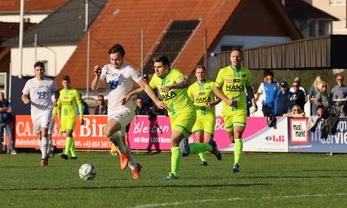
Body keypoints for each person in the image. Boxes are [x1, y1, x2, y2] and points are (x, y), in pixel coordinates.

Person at [90, 43, 165, 179]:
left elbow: (145, 86)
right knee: (121, 143)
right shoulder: (106, 68)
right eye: (112, 59)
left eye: (117, 59)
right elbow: (94, 87)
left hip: (126, 109)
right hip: (111, 110)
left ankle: (124, 153)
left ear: (123, 57)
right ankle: (135, 167)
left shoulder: (129, 70)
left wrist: (156, 101)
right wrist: (97, 75)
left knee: (108, 132)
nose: (114, 62)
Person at [148, 56, 221, 180]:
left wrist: (172, 86)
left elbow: (184, 83)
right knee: (184, 151)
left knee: (173, 141)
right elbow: (146, 88)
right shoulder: (156, 78)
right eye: (155, 67)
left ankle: (173, 174)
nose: (156, 70)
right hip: (173, 116)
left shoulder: (175, 73)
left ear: (166, 67)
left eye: (159, 67)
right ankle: (210, 147)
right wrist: (131, 93)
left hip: (187, 113)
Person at [213, 47, 257, 174]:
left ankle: (236, 163)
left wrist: (253, 101)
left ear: (241, 58)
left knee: (238, 133)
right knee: (231, 138)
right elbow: (216, 89)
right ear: (230, 58)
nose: (235, 58)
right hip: (227, 110)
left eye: (238, 56)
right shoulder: (223, 72)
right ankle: (234, 147)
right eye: (233, 56)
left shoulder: (246, 73)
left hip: (241, 108)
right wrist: (226, 100)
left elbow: (249, 87)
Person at [22, 61, 60, 167]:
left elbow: (57, 91)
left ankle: (44, 156)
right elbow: (23, 95)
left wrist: (56, 99)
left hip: (46, 110)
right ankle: (44, 150)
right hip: (35, 111)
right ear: (34, 71)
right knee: (38, 134)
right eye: (37, 70)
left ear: (44, 70)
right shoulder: (30, 82)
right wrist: (25, 100)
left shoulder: (50, 82)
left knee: (44, 131)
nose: (40, 72)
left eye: (41, 70)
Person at [187, 65, 221, 166]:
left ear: (205, 73)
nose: (200, 74)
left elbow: (220, 97)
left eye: (202, 72)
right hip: (197, 117)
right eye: (198, 72)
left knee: (206, 142)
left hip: (209, 116)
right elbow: (187, 101)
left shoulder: (211, 85)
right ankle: (203, 160)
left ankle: (214, 149)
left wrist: (212, 103)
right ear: (195, 74)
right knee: (198, 140)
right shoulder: (192, 88)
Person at [51, 75, 84, 160]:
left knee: (69, 133)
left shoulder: (75, 92)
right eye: (64, 82)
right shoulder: (60, 93)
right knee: (68, 136)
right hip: (63, 117)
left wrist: (81, 117)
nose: (66, 83)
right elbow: (56, 106)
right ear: (62, 83)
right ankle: (73, 154)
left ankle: (65, 153)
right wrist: (52, 117)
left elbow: (79, 105)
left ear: (70, 82)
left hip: (71, 116)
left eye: (67, 82)